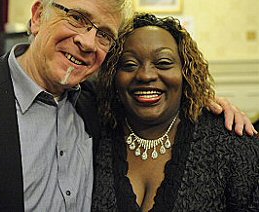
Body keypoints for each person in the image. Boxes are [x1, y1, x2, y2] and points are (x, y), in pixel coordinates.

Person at [0, 0, 255, 211]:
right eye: (77, 17)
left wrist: (205, 99)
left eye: (104, 34)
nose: (88, 42)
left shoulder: (94, 104)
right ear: (38, 15)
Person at [92, 13, 259, 211]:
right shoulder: (93, 132)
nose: (146, 75)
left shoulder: (231, 141)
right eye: (129, 65)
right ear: (113, 76)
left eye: (163, 63)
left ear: (185, 74)